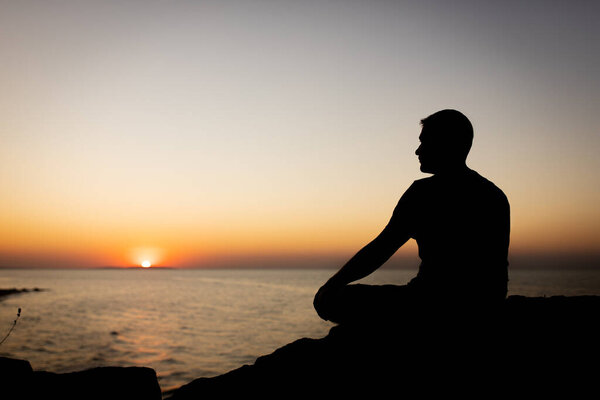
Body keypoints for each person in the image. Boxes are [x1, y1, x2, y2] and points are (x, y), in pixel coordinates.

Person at [313, 109, 510, 324]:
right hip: (485, 307)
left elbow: (380, 249)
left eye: (425, 142)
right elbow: (497, 275)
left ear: (447, 144)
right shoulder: (494, 195)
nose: (418, 151)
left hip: (428, 304)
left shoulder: (423, 193)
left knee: (332, 300)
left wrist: (332, 284)